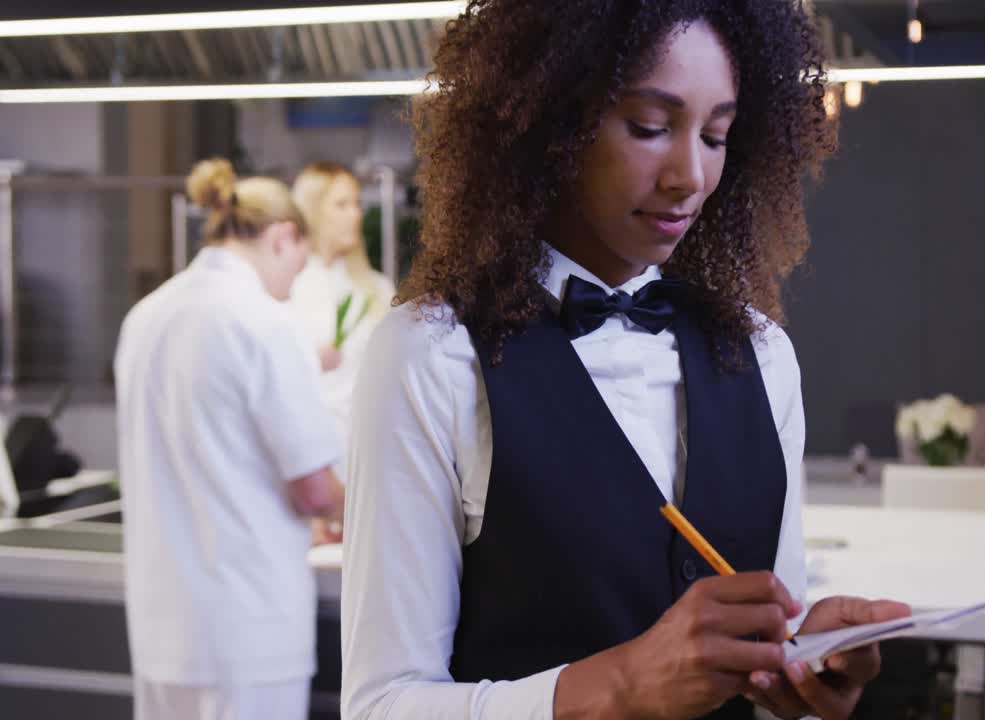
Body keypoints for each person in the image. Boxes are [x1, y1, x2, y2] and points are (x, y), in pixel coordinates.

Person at [340, 2, 910, 719]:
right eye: (649, 127)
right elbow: (382, 705)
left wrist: (798, 665)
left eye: (716, 135)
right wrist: (617, 687)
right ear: (551, 122)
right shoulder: (432, 356)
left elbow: (761, 658)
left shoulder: (763, 356)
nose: (691, 175)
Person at [114, 158, 345, 720]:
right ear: (282, 238)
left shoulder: (143, 316)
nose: (295, 282)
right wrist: (377, 513)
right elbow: (315, 490)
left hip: (161, 632)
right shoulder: (266, 324)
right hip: (249, 630)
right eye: (300, 263)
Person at [288, 162, 395, 470]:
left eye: (358, 204)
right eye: (342, 205)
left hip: (367, 455)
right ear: (312, 211)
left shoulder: (376, 286)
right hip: (308, 461)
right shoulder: (287, 287)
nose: (356, 214)